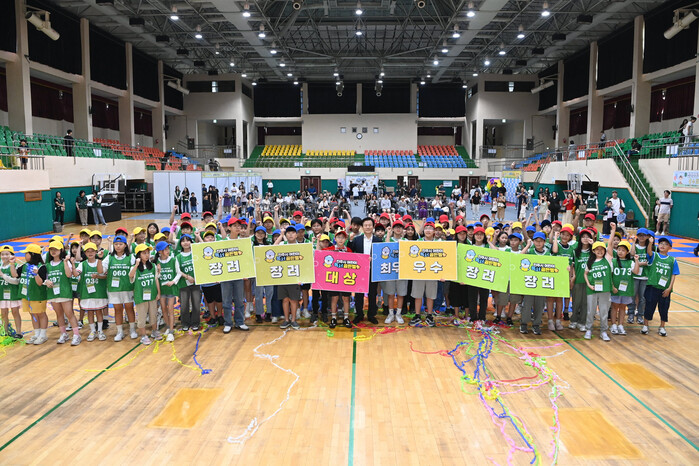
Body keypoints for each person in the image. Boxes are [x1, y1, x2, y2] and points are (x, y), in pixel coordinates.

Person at [641, 236, 679, 337]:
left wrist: (669, 288)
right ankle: (645, 325)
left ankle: (662, 326)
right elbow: (649, 252)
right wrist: (650, 243)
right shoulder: (654, 255)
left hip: (664, 289)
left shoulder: (672, 260)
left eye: (666, 244)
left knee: (664, 308)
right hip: (652, 287)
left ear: (670, 248)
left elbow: (673, 274)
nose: (663, 245)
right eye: (661, 243)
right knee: (649, 306)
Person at [103, 235, 137, 341]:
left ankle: (132, 330)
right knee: (117, 310)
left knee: (129, 309)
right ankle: (119, 331)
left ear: (125, 245)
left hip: (128, 288)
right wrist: (99, 259)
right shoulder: (109, 257)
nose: (118, 246)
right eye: (116, 244)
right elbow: (101, 270)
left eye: (120, 244)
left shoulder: (131, 257)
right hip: (114, 289)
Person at [72, 242, 108, 342]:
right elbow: (75, 274)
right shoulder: (82, 264)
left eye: (92, 251)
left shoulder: (100, 262)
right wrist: (73, 265)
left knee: (99, 311)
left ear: (96, 252)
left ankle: (100, 330)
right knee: (90, 312)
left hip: (99, 292)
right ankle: (92, 331)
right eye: (88, 251)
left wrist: (98, 276)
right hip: (87, 293)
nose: (90, 253)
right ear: (85, 253)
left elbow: (106, 276)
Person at [350, 217, 381, 324]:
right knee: (359, 294)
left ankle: (371, 315)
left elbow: (381, 256)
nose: (368, 227)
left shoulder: (378, 240)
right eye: (365, 225)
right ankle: (359, 314)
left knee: (372, 294)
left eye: (369, 225)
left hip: (372, 271)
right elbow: (350, 252)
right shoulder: (357, 239)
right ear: (362, 227)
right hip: (359, 272)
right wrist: (350, 240)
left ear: (373, 227)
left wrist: (374, 258)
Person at [129, 244, 160, 345]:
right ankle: (143, 336)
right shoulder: (134, 268)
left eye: (148, 253)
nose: (147, 255)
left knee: (153, 315)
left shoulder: (153, 266)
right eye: (144, 253)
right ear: (139, 255)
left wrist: (158, 293)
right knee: (142, 317)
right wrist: (136, 265)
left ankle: (154, 331)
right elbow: (131, 275)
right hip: (140, 296)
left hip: (152, 295)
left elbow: (156, 280)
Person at [17, 245, 49, 344]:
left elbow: (40, 283)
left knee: (41, 314)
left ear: (33, 254)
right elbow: (15, 275)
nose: (25, 255)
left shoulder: (42, 267)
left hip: (38, 295)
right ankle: (37, 334)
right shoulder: (24, 266)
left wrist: (36, 274)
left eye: (26, 253)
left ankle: (43, 335)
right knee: (32, 314)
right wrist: (12, 263)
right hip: (27, 296)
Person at [610, 239, 639, 336]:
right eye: (619, 249)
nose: (620, 252)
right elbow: (610, 276)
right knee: (614, 307)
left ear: (627, 252)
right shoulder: (613, 261)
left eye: (623, 250)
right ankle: (613, 325)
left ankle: (620, 325)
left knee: (623, 307)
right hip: (616, 289)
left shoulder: (630, 262)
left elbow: (636, 272)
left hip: (626, 289)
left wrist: (636, 261)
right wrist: (612, 287)